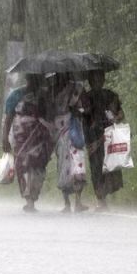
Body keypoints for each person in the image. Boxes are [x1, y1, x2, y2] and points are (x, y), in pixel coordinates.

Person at [2, 73, 53, 213]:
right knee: (22, 165)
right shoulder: (16, 95)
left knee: (37, 166)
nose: (34, 83)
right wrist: (5, 138)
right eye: (32, 79)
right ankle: (28, 198)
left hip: (39, 137)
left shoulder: (44, 96)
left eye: (37, 79)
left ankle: (32, 198)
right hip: (21, 138)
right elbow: (8, 118)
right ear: (27, 79)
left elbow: (49, 116)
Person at [46, 72, 88, 213]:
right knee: (66, 166)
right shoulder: (52, 92)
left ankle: (75, 202)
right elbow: (49, 113)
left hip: (70, 131)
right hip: (62, 133)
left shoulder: (75, 89)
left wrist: (76, 110)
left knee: (74, 165)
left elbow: (84, 108)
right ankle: (70, 203)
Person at [82, 69, 125, 211]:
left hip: (109, 136)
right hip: (92, 136)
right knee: (96, 167)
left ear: (103, 80)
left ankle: (104, 197)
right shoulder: (86, 97)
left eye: (100, 78)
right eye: (94, 79)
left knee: (110, 166)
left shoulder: (110, 95)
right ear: (90, 81)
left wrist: (114, 118)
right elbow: (81, 115)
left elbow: (120, 113)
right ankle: (101, 200)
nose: (97, 82)